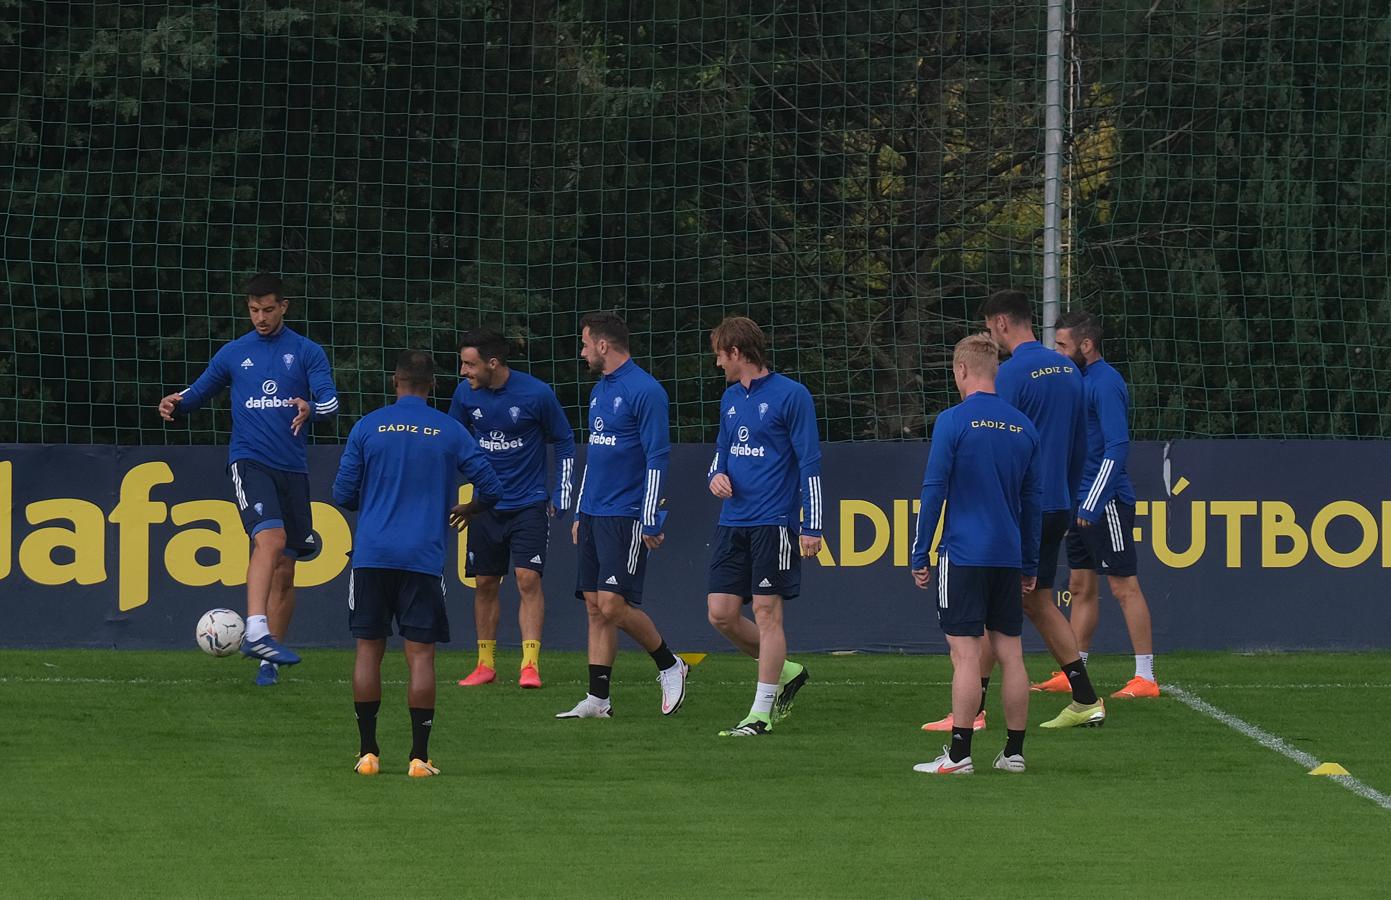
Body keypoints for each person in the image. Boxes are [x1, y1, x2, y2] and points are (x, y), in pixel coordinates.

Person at [922, 290, 1105, 731]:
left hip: (1020, 508)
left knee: (994, 610)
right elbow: (1080, 442)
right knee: (1038, 601)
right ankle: (1085, 697)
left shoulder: (1009, 375)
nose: (990, 335)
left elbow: (994, 442)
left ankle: (974, 712)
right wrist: (1070, 491)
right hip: (1058, 500)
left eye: (989, 327)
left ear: (1002, 323)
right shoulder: (1068, 368)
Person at [157, 273, 338, 686]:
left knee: (286, 570)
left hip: (292, 469)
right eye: (254, 310)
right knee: (269, 540)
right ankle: (255, 631)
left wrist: (311, 407)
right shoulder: (235, 353)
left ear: (284, 306)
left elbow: (330, 402)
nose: (261, 317)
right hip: (249, 461)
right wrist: (175, 403)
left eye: (268, 309)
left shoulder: (307, 352)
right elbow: (197, 394)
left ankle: (267, 659)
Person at [332, 350, 505, 778]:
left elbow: (342, 494)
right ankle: (419, 757)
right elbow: (493, 488)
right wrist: (470, 508)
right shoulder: (450, 430)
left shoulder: (368, 426)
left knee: (368, 651)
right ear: (432, 386)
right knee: (420, 656)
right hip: (422, 558)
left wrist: (373, 502)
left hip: (373, 554)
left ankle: (368, 753)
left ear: (395, 382)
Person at [910, 334, 1042, 775]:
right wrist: (1030, 562)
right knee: (1012, 653)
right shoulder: (1024, 426)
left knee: (966, 654)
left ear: (961, 371)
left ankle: (960, 753)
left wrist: (919, 551)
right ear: (996, 372)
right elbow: (1032, 501)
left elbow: (933, 491)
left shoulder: (953, 420)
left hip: (964, 554)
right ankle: (1015, 753)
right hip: (1007, 554)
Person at [556, 312, 688, 719]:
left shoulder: (645, 390)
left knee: (613, 605)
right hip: (594, 512)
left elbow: (658, 457)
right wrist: (581, 510)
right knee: (595, 606)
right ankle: (598, 700)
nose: (581, 352)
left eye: (584, 344)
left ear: (602, 345)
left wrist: (650, 516)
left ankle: (670, 664)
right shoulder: (600, 390)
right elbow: (596, 455)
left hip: (626, 514)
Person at [704, 317, 822, 737]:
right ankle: (786, 670)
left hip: (774, 522)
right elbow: (721, 453)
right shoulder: (730, 398)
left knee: (768, 613)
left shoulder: (792, 395)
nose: (717, 363)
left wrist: (813, 524)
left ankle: (760, 712)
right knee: (720, 614)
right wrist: (714, 476)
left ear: (737, 353)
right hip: (732, 520)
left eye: (720, 354)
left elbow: (810, 463)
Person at [448, 328, 576, 690]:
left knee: (527, 579)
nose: (464, 372)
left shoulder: (536, 394)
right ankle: (485, 664)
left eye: (470, 365)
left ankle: (529, 665)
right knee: (485, 582)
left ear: (493, 363)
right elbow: (452, 439)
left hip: (529, 503)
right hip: (485, 505)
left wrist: (562, 491)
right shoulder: (464, 395)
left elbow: (564, 440)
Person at [1054, 310, 1160, 698]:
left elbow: (1117, 446)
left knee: (1123, 586)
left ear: (1087, 345)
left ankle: (1145, 676)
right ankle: (1074, 671)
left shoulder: (1106, 382)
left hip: (1106, 501)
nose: (1059, 353)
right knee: (1080, 585)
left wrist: (1095, 500)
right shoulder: (1075, 381)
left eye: (1064, 345)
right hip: (1079, 500)